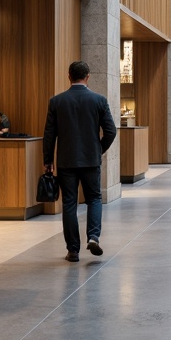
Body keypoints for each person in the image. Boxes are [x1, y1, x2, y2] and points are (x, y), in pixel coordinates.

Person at [43, 60, 116, 263]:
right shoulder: (99, 100)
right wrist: (98, 149)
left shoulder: (56, 101)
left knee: (69, 203)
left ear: (69, 76)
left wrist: (48, 160)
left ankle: (73, 250)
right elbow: (111, 130)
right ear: (88, 76)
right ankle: (93, 237)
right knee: (93, 198)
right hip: (91, 160)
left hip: (66, 161)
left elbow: (49, 134)